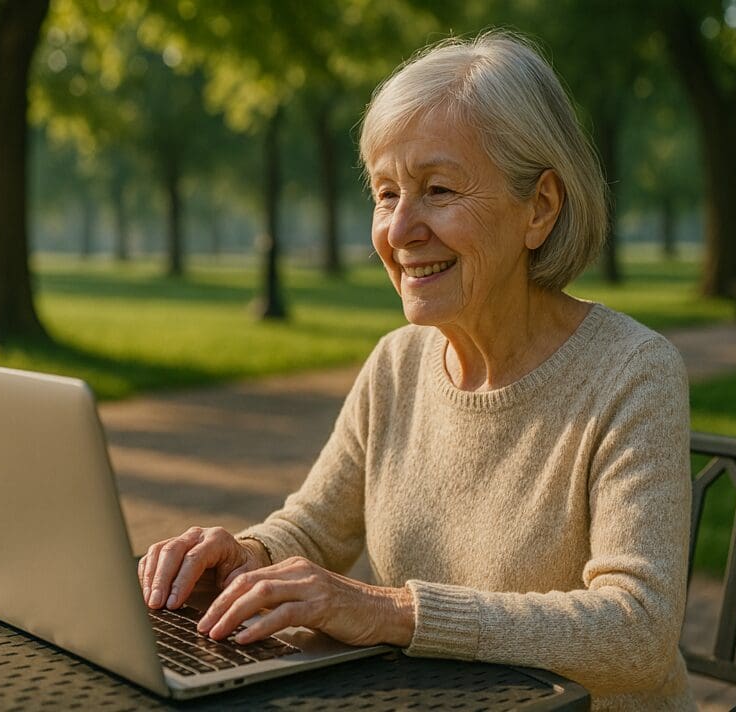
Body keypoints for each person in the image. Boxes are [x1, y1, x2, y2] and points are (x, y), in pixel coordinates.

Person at [138, 31, 695, 710]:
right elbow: (314, 530)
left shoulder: (633, 373)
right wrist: (245, 559)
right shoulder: (397, 364)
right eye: (385, 193)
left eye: (436, 190)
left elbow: (638, 631)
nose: (400, 230)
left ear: (540, 208)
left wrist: (394, 611)